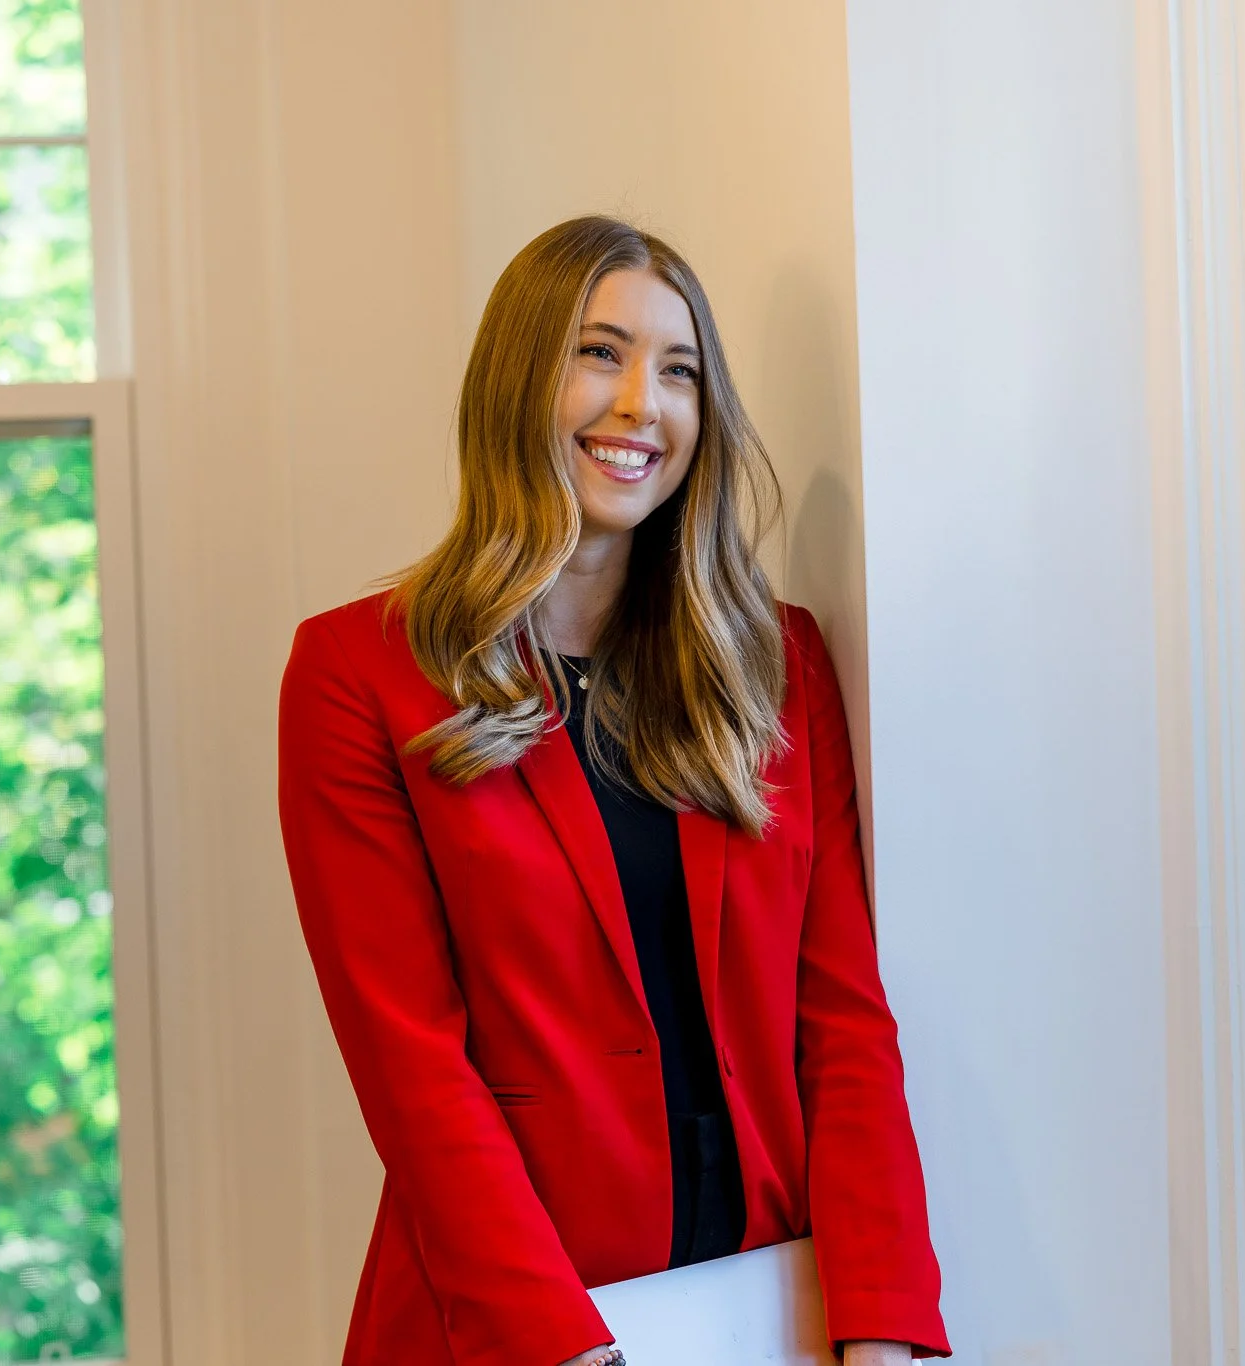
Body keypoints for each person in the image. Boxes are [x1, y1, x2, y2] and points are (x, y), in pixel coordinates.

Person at [277, 216, 949, 1366]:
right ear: (515, 382)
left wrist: (881, 1328)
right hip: (514, 1327)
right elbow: (412, 1069)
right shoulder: (356, 673)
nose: (643, 403)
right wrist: (567, 1352)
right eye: (600, 353)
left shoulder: (775, 665)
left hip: (769, 1308)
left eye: (678, 371)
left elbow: (839, 1020)